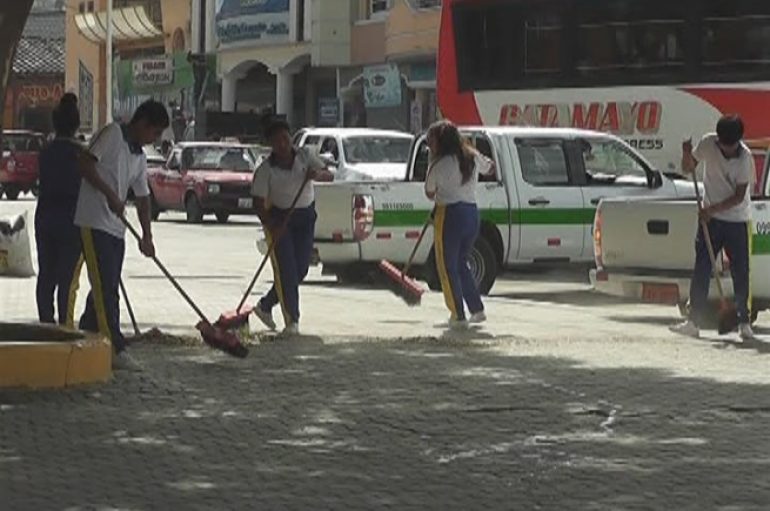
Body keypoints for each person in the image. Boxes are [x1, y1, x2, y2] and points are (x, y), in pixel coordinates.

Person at [74, 100, 169, 369]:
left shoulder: (139, 156)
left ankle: (88, 331)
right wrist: (110, 194)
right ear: (142, 124)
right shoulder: (112, 134)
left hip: (116, 227)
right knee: (107, 288)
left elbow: (142, 198)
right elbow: (84, 164)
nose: (155, 139)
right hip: (94, 221)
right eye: (155, 132)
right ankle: (113, 346)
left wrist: (147, 236)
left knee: (107, 283)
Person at [670, 115, 755, 340]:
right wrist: (687, 154)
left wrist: (711, 210)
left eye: (730, 146)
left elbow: (738, 196)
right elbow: (687, 168)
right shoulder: (708, 143)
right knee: (702, 268)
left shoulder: (745, 159)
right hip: (711, 222)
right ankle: (693, 321)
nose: (726, 150)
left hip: (736, 220)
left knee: (740, 271)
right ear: (718, 139)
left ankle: (744, 323)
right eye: (723, 145)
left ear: (738, 141)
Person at [251, 120, 333, 335]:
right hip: (280, 220)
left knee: (301, 270)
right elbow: (258, 204)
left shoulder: (306, 156)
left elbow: (329, 174)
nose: (282, 144)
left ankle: (265, 305)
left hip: (305, 216)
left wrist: (316, 175)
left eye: (285, 138)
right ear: (270, 144)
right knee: (287, 269)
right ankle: (292, 321)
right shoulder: (265, 170)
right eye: (277, 141)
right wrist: (271, 225)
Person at [424, 120, 495, 329]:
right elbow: (490, 167)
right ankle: (477, 309)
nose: (430, 147)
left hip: (450, 215)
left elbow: (429, 192)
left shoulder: (439, 164)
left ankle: (457, 314)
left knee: (447, 267)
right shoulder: (471, 156)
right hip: (471, 213)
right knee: (461, 263)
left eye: (431, 143)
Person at [34, 93, 84, 326]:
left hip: (45, 216)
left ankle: (46, 322)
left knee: (47, 275)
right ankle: (65, 324)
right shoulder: (81, 153)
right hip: (72, 219)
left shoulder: (45, 151)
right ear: (76, 124)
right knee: (67, 278)